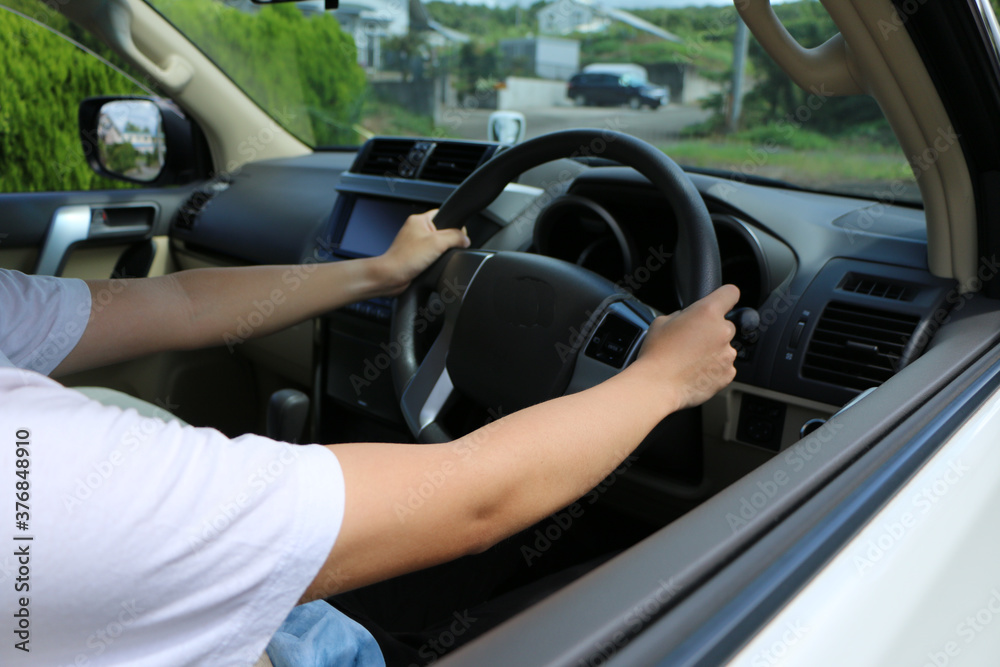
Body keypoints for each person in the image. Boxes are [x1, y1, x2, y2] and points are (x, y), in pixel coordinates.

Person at [0, 210, 738, 666]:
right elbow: (474, 502)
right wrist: (662, 379)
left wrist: (376, 273)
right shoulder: (46, 483)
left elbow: (177, 301)